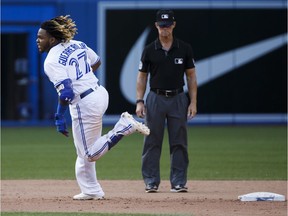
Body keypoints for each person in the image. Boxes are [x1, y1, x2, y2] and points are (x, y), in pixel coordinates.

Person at [36, 15, 150, 200]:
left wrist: (59, 116)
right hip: (98, 93)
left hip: (84, 103)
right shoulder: (77, 44)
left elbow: (66, 93)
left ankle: (124, 127)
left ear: (52, 39)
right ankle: (91, 190)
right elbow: (96, 61)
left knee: (89, 154)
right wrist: (82, 78)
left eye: (41, 37)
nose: (38, 40)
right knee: (82, 150)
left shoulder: (51, 60)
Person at [136, 9, 197, 193]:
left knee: (179, 141)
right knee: (152, 140)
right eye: (162, 25)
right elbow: (142, 77)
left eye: (168, 25)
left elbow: (191, 77)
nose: (165, 29)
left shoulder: (184, 48)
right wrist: (139, 100)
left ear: (174, 25)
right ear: (156, 25)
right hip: (155, 97)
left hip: (178, 97)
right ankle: (151, 181)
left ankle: (178, 182)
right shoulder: (149, 50)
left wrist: (193, 102)